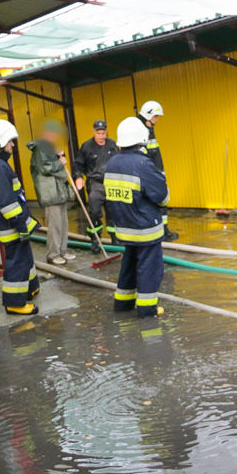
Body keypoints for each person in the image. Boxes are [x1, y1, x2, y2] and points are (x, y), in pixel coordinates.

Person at [105, 117, 170, 318]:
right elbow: (162, 197)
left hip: (124, 227)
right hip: (145, 229)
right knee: (149, 269)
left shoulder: (112, 162)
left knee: (129, 265)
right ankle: (147, 309)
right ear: (141, 138)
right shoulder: (143, 164)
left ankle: (123, 303)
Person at [0, 119, 40, 315]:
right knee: (17, 261)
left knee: (24, 256)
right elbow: (7, 203)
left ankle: (30, 288)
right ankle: (14, 302)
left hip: (5, 223)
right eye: (10, 141)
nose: (13, 145)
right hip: (11, 224)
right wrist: (21, 226)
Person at [27, 120, 75, 266]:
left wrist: (58, 155)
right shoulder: (40, 149)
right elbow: (45, 168)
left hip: (58, 191)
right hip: (50, 192)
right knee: (55, 225)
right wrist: (60, 161)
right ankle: (53, 254)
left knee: (63, 223)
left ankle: (62, 251)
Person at [72, 119, 119, 252]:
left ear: (106, 132)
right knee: (95, 212)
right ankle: (95, 239)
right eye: (98, 133)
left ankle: (115, 238)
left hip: (111, 182)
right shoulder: (86, 146)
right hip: (95, 183)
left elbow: (119, 161)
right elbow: (78, 164)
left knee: (113, 211)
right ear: (93, 132)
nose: (101, 136)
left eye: (103, 133)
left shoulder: (112, 145)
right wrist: (79, 176)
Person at [137, 100, 178, 242]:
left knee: (163, 200)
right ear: (149, 116)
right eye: (156, 116)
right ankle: (158, 232)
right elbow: (143, 158)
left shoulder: (149, 130)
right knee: (153, 202)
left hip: (156, 173)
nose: (157, 120)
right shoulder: (141, 132)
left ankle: (164, 230)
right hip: (149, 175)